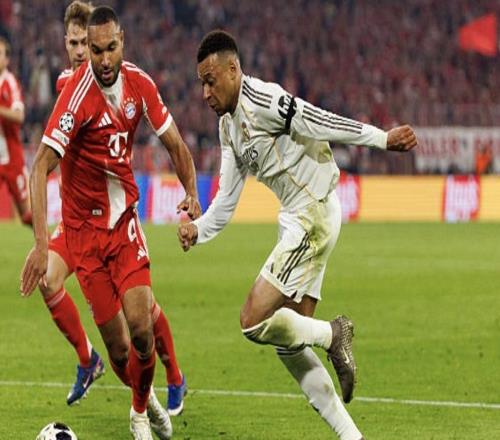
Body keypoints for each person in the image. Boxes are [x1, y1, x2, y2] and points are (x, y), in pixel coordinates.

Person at [178, 30, 418, 440]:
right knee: (288, 340)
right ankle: (352, 436)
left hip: (313, 213)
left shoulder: (265, 100)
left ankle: (333, 333)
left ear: (233, 70)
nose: (205, 93)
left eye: (210, 81)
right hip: (296, 218)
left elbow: (319, 119)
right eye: (201, 83)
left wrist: (381, 139)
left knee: (252, 320)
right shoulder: (228, 127)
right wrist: (196, 230)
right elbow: (226, 198)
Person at [21, 6, 200, 439]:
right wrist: (42, 245)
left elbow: (175, 144)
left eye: (109, 48)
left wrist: (192, 193)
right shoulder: (74, 95)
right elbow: (40, 165)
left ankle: (139, 411)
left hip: (123, 225)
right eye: (95, 50)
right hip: (84, 237)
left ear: (123, 42)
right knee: (120, 351)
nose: (102, 59)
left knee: (141, 326)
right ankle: (145, 396)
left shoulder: (140, 84)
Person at [0, 36, 31, 226]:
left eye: (0, 54)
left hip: (12, 157)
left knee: (25, 214)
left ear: (7, 59)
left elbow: (19, 116)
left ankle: (46, 241)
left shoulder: (10, 83)